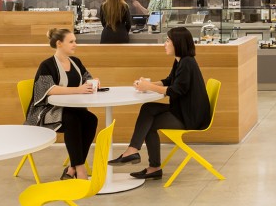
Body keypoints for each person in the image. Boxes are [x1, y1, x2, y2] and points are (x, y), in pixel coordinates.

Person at [108, 27, 212, 180]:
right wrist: (148, 83)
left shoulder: (187, 63)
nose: (165, 44)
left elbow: (176, 91)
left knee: (148, 123)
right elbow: (169, 80)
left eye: (168, 41)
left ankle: (142, 158)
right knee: (148, 109)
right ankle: (139, 156)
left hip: (190, 117)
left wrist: (149, 87)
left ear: (178, 43)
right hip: (184, 110)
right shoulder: (181, 61)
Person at [25, 28, 100, 180]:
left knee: (91, 119)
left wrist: (95, 82)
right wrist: (78, 90)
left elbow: (87, 78)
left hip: (72, 109)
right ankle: (80, 169)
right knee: (73, 121)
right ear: (59, 43)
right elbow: (48, 89)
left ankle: (71, 168)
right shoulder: (47, 65)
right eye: (71, 42)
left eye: (75, 41)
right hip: (47, 112)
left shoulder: (76, 62)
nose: (75, 45)